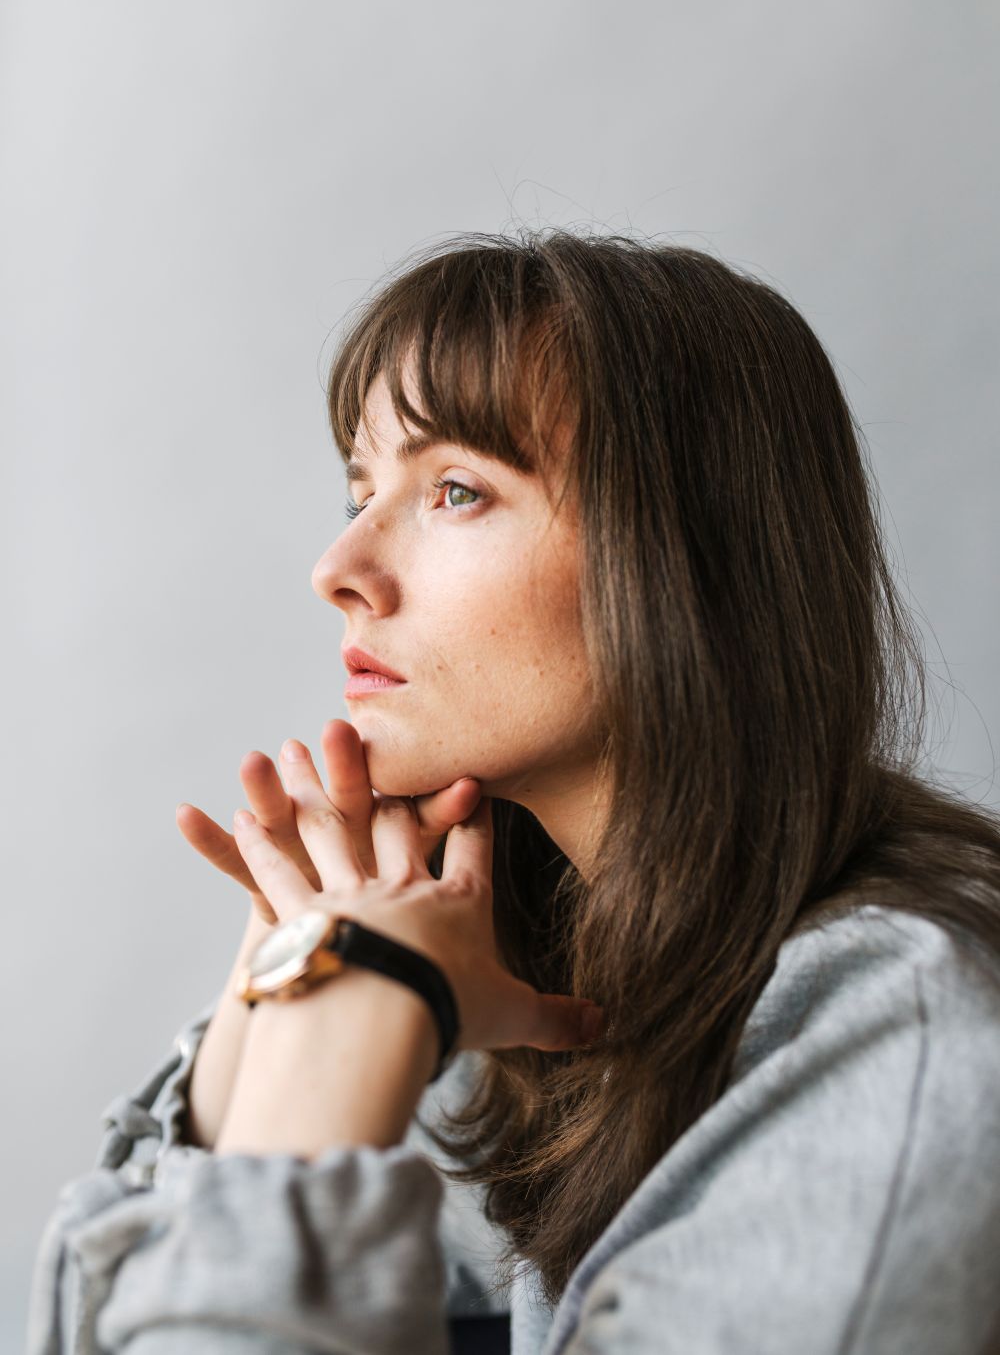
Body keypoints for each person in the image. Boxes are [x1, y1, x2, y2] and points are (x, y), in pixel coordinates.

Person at [27, 230, 1000, 1354]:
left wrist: (357, 995)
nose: (338, 563)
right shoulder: (515, 1008)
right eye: (360, 486)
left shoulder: (900, 1028)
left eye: (453, 490)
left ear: (682, 561)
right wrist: (280, 984)